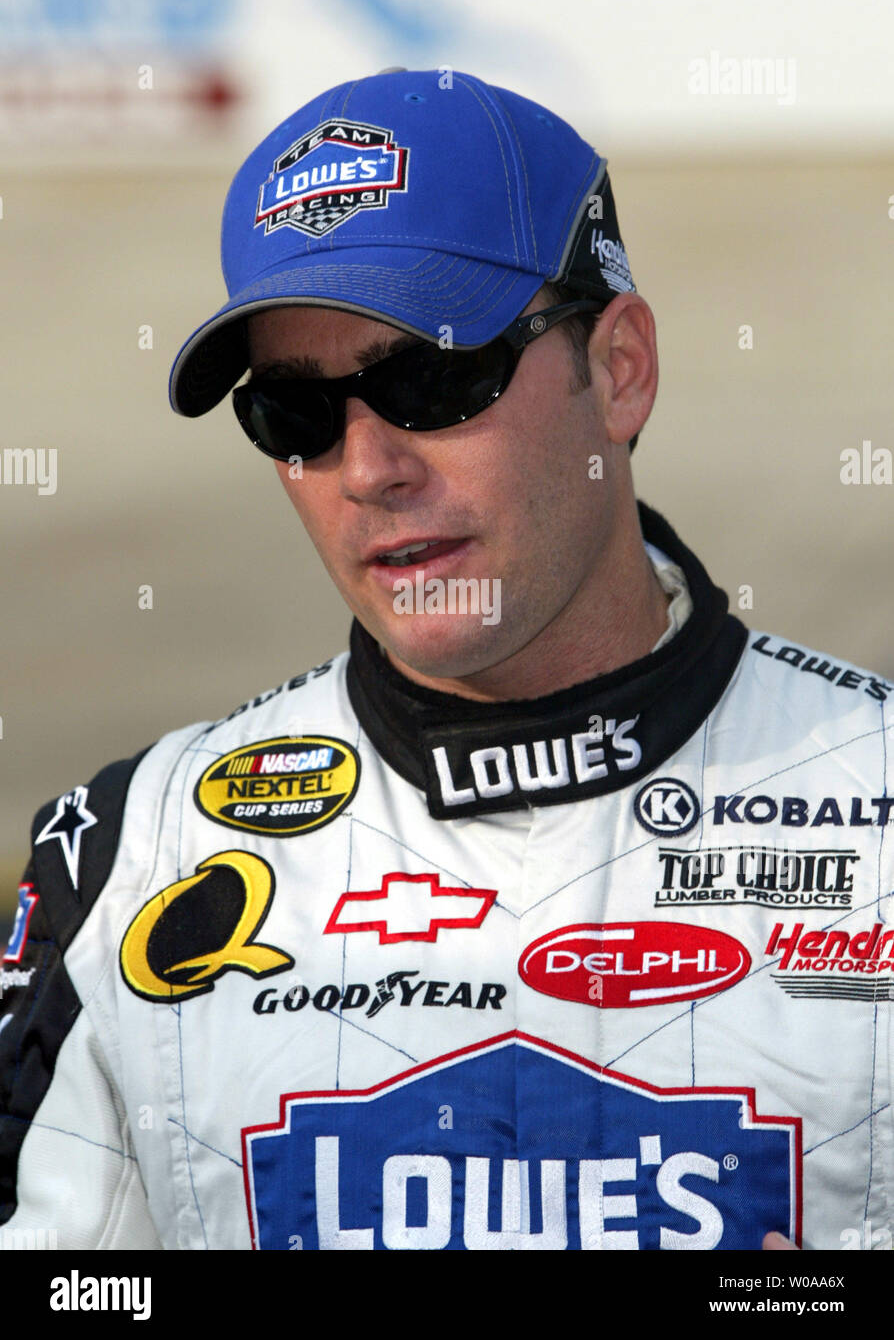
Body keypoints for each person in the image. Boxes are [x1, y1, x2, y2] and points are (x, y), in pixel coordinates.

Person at [1, 68, 891, 1252]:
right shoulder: (124, 861)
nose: (370, 467)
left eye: (433, 377)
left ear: (618, 369)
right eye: (295, 411)